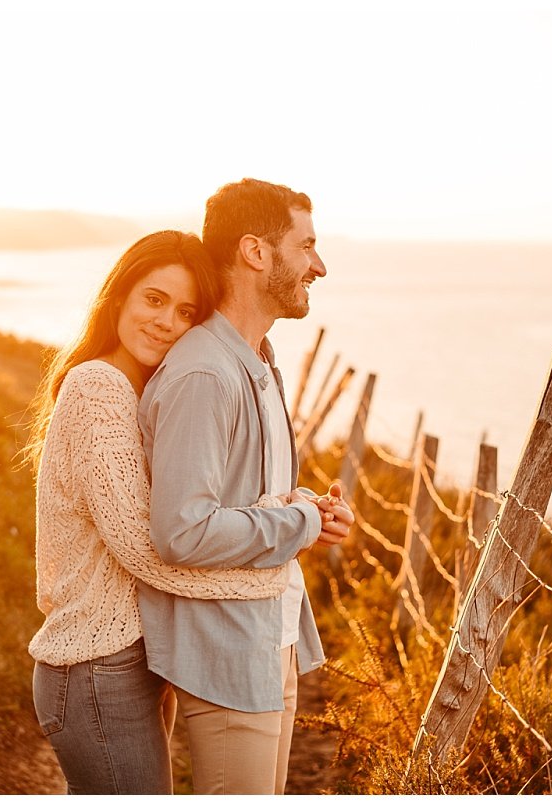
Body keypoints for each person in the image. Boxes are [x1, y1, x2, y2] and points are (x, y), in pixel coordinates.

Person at [23, 230, 297, 795]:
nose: (166, 321)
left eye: (185, 311)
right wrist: (271, 572)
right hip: (94, 668)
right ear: (118, 296)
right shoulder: (97, 386)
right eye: (153, 299)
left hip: (131, 666)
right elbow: (149, 548)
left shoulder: (143, 388)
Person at [137, 179, 354, 795]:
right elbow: (183, 530)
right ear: (255, 252)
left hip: (268, 638)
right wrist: (302, 524)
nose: (319, 265)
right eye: (306, 245)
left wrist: (306, 507)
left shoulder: (255, 360)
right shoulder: (206, 371)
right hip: (228, 656)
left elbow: (242, 499)